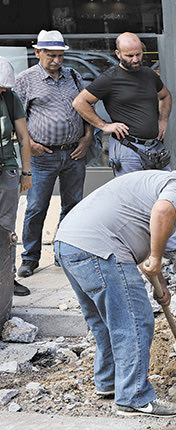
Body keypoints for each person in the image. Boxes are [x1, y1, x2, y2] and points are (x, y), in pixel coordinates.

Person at [54, 162, 176, 417]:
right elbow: (162, 212)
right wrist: (158, 259)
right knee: (136, 321)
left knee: (106, 321)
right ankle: (134, 397)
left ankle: (109, 382)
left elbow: (147, 246)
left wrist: (160, 285)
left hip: (69, 243)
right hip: (100, 249)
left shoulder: (152, 182)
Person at [72, 33, 176, 270]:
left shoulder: (148, 75)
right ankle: (138, 254)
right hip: (127, 148)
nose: (136, 59)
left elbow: (165, 96)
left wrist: (163, 120)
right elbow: (80, 103)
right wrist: (105, 126)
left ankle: (171, 250)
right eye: (130, 56)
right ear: (118, 54)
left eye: (139, 54)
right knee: (132, 202)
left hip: (154, 147)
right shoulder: (109, 79)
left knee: (171, 195)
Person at [14, 30, 93, 280]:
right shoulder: (25, 80)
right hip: (42, 156)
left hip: (74, 153)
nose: (57, 61)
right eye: (51, 55)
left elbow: (86, 107)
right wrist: (31, 144)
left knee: (73, 206)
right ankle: (30, 258)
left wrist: (88, 136)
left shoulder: (74, 76)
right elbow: (18, 117)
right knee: (37, 207)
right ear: (37, 53)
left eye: (60, 56)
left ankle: (64, 253)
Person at [0, 57, 33, 297]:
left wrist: (26, 172)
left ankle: (7, 279)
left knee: (6, 226)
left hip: (6, 168)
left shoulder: (10, 99)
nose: (2, 90)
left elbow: (24, 139)